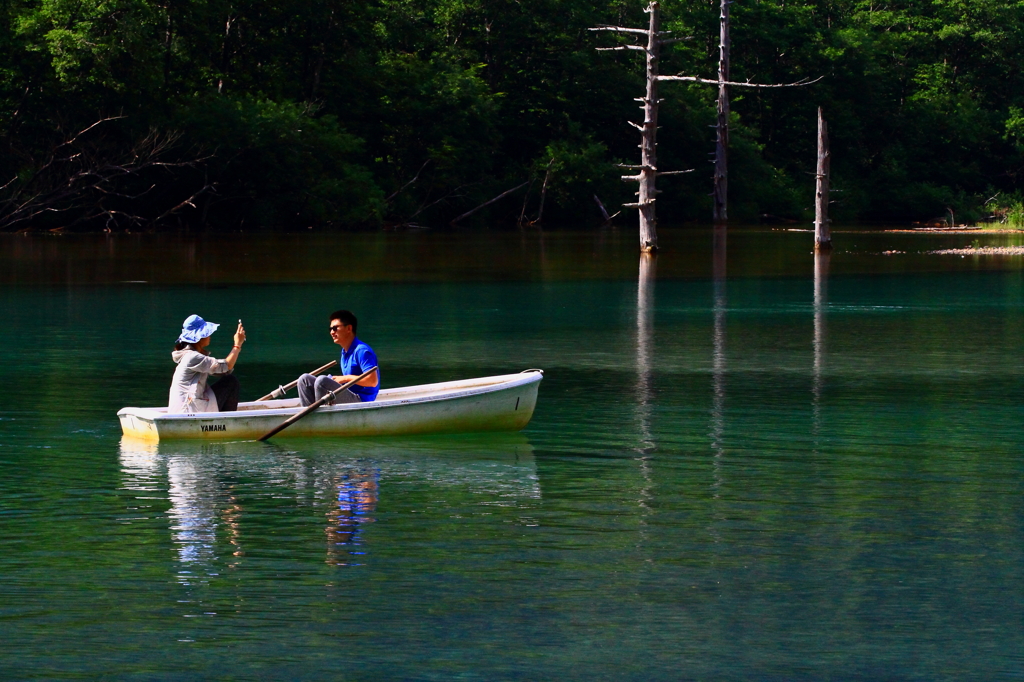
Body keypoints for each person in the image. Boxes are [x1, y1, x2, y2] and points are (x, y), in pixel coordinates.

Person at [297, 310, 379, 406]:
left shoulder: (362, 351)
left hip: (361, 400)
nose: (332, 332)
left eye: (335, 328)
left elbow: (373, 381)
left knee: (321, 381)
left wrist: (345, 378)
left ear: (349, 328)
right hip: (349, 393)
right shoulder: (345, 351)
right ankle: (309, 417)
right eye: (330, 329)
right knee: (304, 379)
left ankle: (323, 417)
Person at [168, 315, 246, 414]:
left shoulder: (190, 356)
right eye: (207, 333)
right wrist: (237, 344)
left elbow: (223, 370)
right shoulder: (192, 357)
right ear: (199, 337)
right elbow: (226, 366)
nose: (209, 336)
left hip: (189, 406)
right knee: (231, 381)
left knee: (228, 379)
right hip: (187, 409)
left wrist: (225, 369)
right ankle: (226, 422)